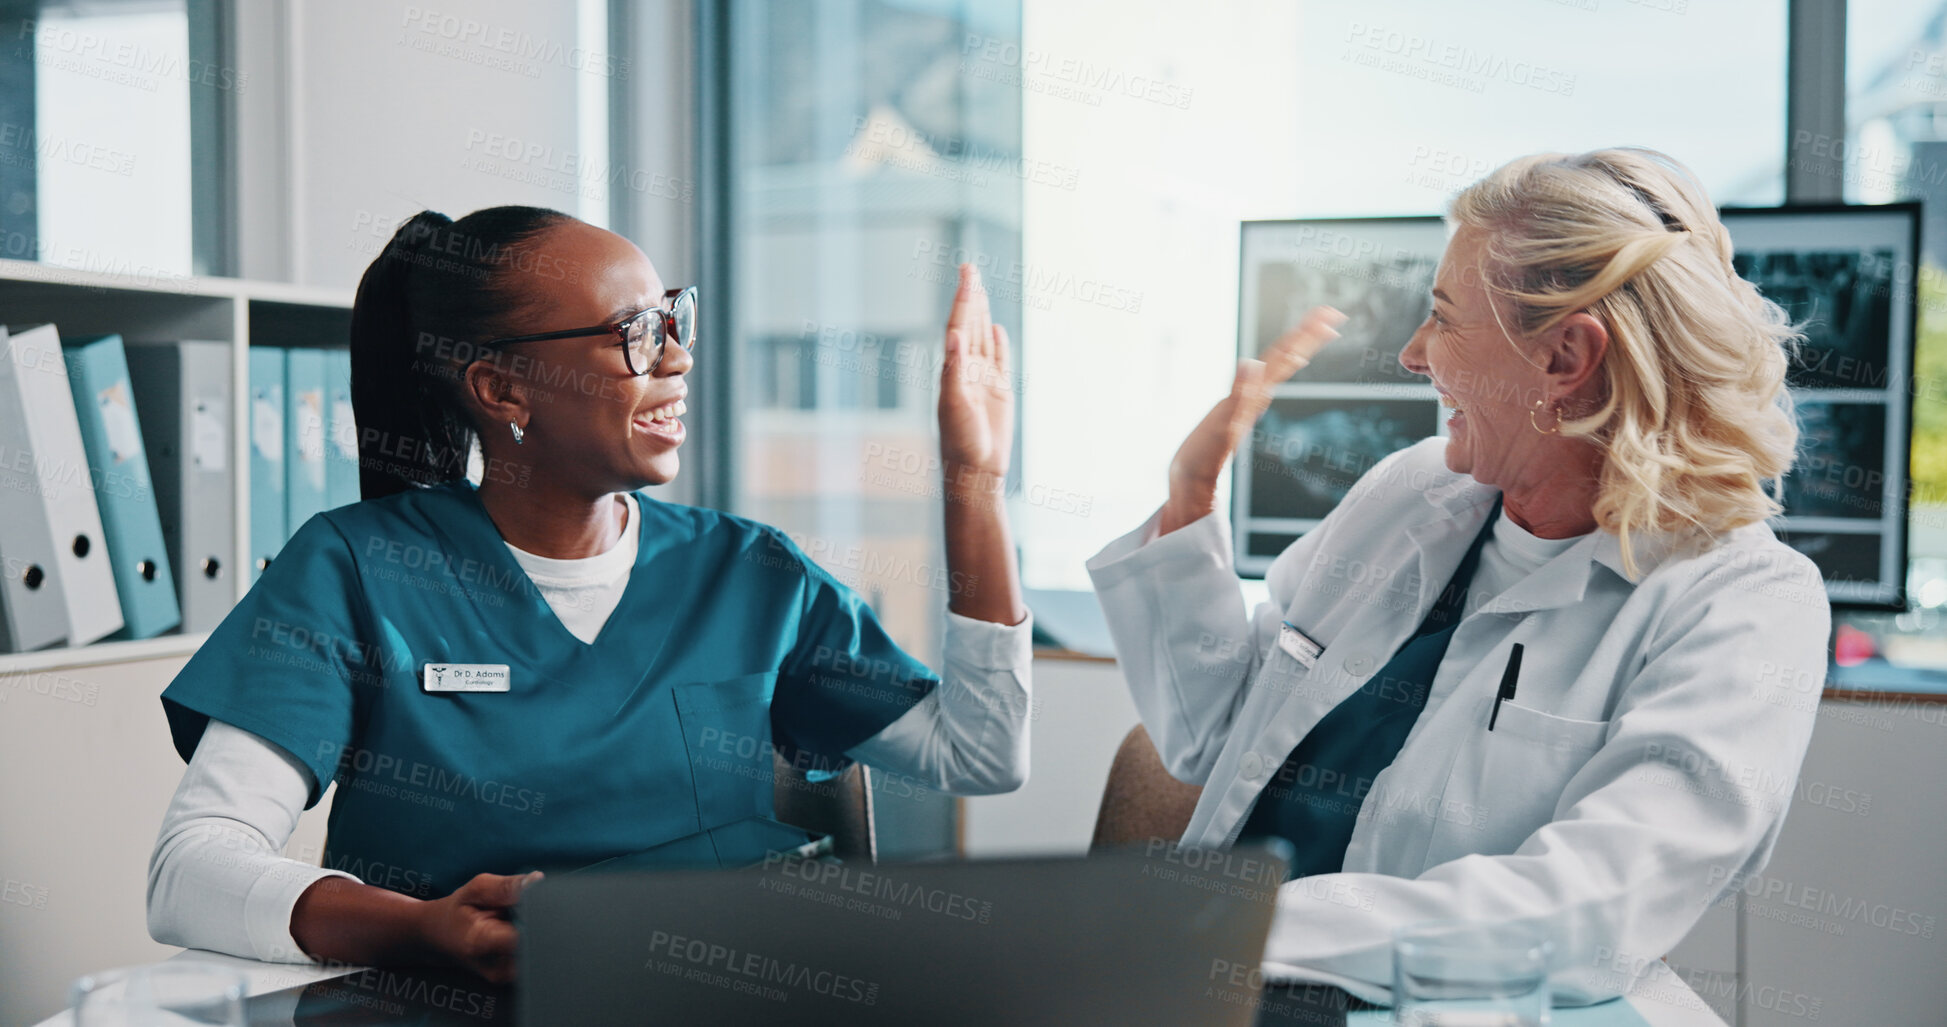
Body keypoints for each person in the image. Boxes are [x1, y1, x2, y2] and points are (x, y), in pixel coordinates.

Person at [146, 207, 1032, 983]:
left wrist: (972, 480)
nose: (679, 357)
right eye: (636, 332)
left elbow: (981, 754)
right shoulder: (354, 567)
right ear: (501, 388)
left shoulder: (751, 574)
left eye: (673, 318)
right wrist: (422, 930)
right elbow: (191, 871)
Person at [1086, 148, 1828, 1004]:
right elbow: (1209, 744)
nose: (1411, 354)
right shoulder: (1411, 491)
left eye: (1441, 318)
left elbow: (1582, 916)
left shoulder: (1740, 603)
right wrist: (1187, 500)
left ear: (1565, 358)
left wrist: (1230, 929)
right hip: (1218, 989)